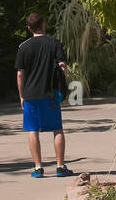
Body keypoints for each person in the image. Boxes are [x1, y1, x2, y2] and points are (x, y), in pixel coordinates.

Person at [15, 11, 74, 178]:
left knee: (32, 129)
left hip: (31, 94)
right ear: (43, 24)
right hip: (50, 93)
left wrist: (21, 95)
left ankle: (38, 168)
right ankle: (60, 166)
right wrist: (62, 85)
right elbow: (62, 66)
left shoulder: (23, 47)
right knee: (57, 129)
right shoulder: (54, 43)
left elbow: (20, 73)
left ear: (28, 28)